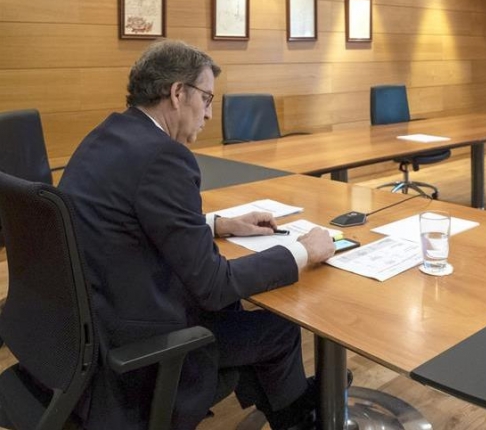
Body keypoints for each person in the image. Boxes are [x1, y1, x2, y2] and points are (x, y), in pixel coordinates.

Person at [59, 40, 336, 430]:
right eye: (206, 99)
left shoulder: (108, 134)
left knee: (237, 314)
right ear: (177, 93)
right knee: (277, 327)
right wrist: (300, 251)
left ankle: (295, 409)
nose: (208, 114)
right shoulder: (164, 157)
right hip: (136, 347)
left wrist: (217, 224)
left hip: (89, 324)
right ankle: (300, 418)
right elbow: (213, 285)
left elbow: (125, 221)